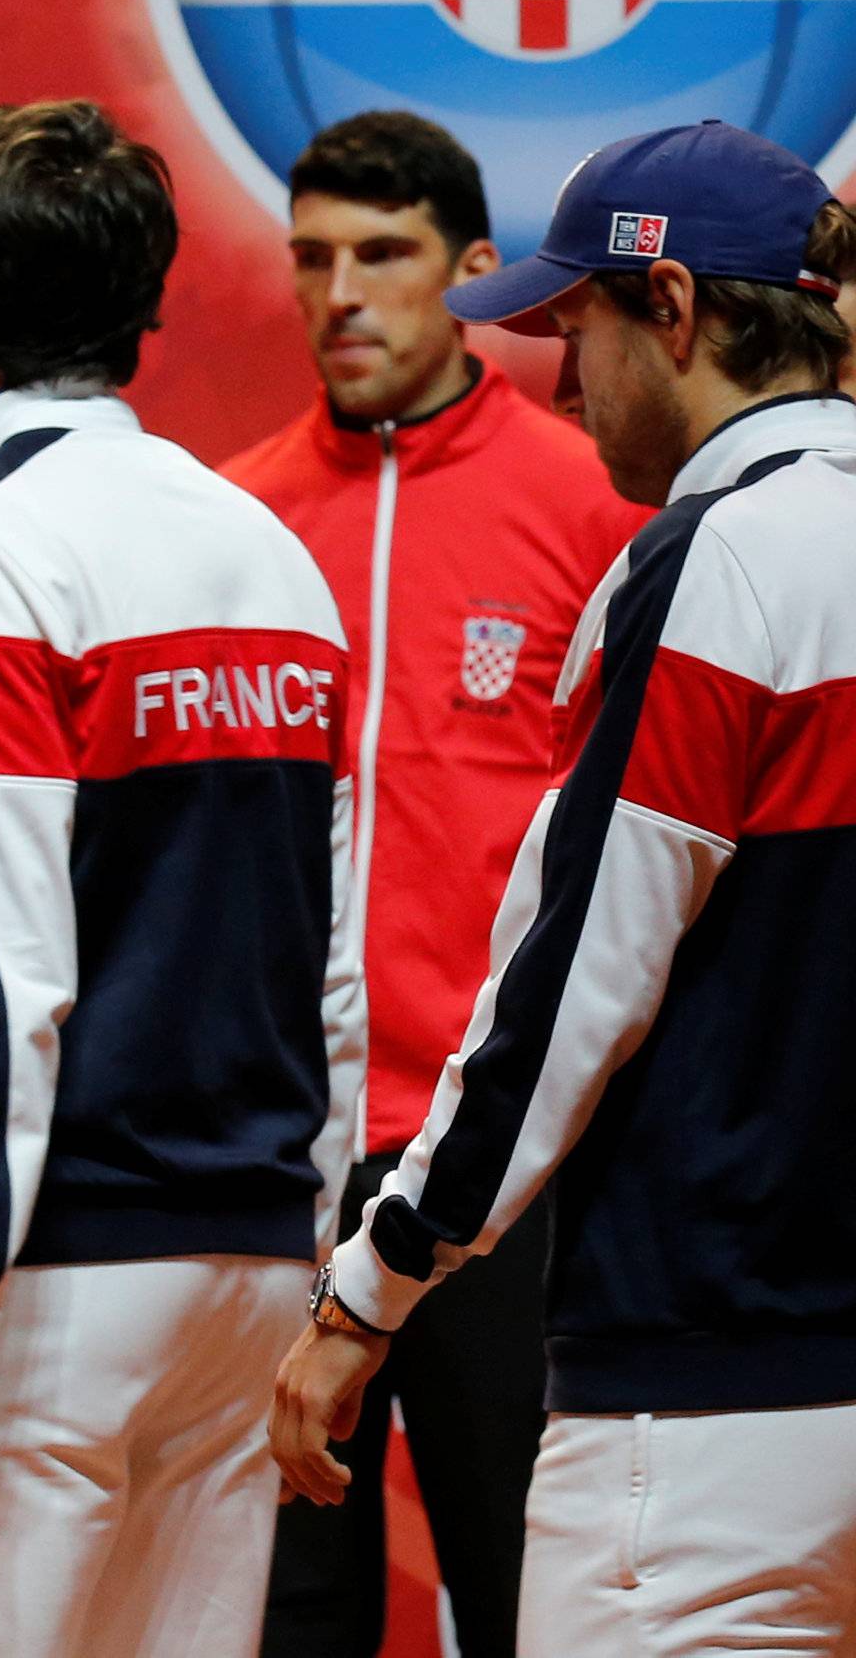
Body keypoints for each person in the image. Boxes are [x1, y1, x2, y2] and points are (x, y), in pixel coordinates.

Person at [272, 120, 856, 1655]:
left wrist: (369, 1287)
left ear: (672, 308)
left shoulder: (710, 564)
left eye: (577, 322)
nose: (555, 373)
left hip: (713, 1395)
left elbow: (576, 977)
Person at [0, 99, 364, 1658]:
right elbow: (330, 960)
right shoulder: (271, 547)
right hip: (248, 1264)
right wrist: (307, 1252)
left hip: (57, 1277)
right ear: (144, 303)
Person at [223, 112, 642, 1658]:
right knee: (285, 1608)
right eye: (312, 257)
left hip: (505, 1171)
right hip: (291, 1155)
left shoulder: (592, 502)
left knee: (527, 1592)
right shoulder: (234, 516)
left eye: (382, 253)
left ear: (472, 272)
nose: (341, 290)